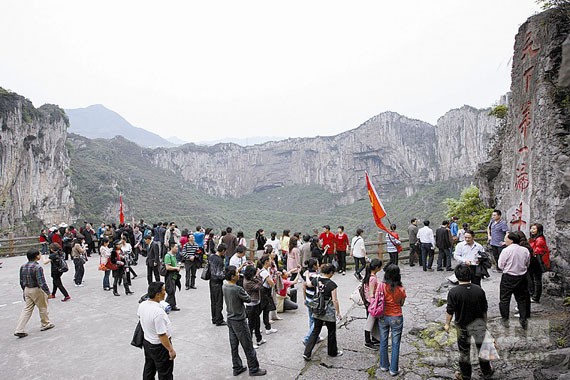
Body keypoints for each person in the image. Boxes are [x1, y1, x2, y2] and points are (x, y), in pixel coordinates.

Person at [444, 264, 493, 380]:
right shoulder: (479, 290)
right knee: (482, 348)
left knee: (464, 352)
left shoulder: (453, 292)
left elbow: (450, 311)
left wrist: (447, 324)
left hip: (462, 326)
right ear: (470, 274)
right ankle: (486, 371)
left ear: (456, 276)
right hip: (478, 325)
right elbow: (484, 310)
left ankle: (465, 375)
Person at [223, 266, 268, 377]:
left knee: (234, 346)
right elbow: (248, 298)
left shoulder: (224, 286)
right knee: (248, 345)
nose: (239, 275)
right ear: (233, 277)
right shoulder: (237, 289)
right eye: (237, 273)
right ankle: (253, 368)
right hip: (239, 319)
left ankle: (237, 367)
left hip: (230, 318)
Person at [303, 263, 343, 360]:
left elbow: (308, 284)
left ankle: (307, 353)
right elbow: (334, 300)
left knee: (315, 331)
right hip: (328, 312)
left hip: (317, 310)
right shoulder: (332, 284)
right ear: (331, 273)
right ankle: (332, 352)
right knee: (331, 332)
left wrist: (307, 276)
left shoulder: (316, 280)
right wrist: (338, 312)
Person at [138, 281, 176, 380]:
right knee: (165, 373)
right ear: (157, 294)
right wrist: (170, 349)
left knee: (149, 369)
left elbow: (140, 317)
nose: (165, 292)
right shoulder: (158, 313)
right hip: (160, 347)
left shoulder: (143, 305)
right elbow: (162, 335)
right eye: (164, 290)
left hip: (147, 342)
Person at [14, 248, 55, 338]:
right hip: (36, 289)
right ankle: (45, 323)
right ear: (37, 256)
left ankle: (19, 329)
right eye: (39, 254)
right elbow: (41, 282)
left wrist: (24, 291)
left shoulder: (23, 266)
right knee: (43, 307)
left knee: (27, 310)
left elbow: (21, 280)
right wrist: (48, 293)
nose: (40, 255)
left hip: (27, 289)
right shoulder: (37, 267)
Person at [377, 264, 406, 376]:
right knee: (395, 343)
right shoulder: (401, 289)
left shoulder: (381, 286)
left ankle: (384, 365)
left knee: (383, 340)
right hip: (396, 316)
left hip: (383, 315)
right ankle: (394, 369)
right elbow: (401, 303)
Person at [498, 232, 531, 329]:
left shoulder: (506, 251)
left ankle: (505, 319)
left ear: (511, 240)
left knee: (504, 299)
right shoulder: (525, 250)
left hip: (508, 276)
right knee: (522, 299)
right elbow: (527, 263)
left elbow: (500, 265)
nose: (504, 240)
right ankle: (523, 319)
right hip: (521, 276)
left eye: (506, 238)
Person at [243, 265, 266, 349]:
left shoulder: (250, 278)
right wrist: (258, 276)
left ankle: (259, 339)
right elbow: (259, 286)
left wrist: (256, 277)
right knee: (251, 325)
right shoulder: (247, 282)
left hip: (256, 303)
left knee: (257, 323)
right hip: (251, 305)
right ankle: (249, 344)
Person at [362, 259, 382, 349]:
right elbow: (371, 292)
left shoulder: (368, 276)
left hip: (368, 302)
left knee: (372, 321)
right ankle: (368, 341)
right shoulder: (373, 278)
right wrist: (374, 304)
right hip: (371, 303)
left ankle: (374, 338)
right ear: (377, 267)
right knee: (370, 322)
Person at [528, 223, 550, 303]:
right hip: (533, 260)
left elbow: (537, 252)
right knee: (533, 279)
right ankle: (533, 294)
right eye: (531, 229)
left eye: (534, 229)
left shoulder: (539, 239)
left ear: (539, 230)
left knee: (537, 280)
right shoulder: (534, 238)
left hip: (537, 261)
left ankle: (535, 297)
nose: (532, 230)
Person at [258, 255, 278, 334]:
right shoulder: (264, 272)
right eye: (269, 260)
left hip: (265, 292)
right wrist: (274, 282)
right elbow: (271, 282)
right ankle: (254, 327)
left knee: (265, 310)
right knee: (261, 310)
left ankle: (268, 327)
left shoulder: (264, 270)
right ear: (266, 261)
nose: (271, 261)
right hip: (265, 293)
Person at [209, 243, 227, 326]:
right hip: (217, 282)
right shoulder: (219, 260)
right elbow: (219, 274)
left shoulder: (211, 256)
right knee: (219, 302)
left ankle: (214, 318)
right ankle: (219, 319)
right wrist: (226, 275)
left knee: (213, 301)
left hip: (211, 281)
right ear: (223, 251)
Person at [163, 242, 182, 311]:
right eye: (176, 247)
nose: (177, 248)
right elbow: (167, 267)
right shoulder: (168, 256)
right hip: (169, 276)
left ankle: (173, 305)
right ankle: (164, 305)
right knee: (171, 292)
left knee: (173, 291)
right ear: (171, 247)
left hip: (174, 276)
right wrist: (176, 268)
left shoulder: (174, 255)